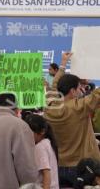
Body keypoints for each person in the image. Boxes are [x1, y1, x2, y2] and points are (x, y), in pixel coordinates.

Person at [44, 52, 100, 187]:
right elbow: (97, 95)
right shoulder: (79, 107)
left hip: (58, 164)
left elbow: (54, 86)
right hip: (82, 166)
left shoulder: (49, 106)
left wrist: (63, 64)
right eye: (79, 87)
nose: (81, 89)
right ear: (73, 91)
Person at [25, 114, 59, 189]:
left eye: (29, 132)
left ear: (42, 131)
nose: (26, 136)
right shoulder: (47, 143)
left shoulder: (40, 147)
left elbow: (46, 174)